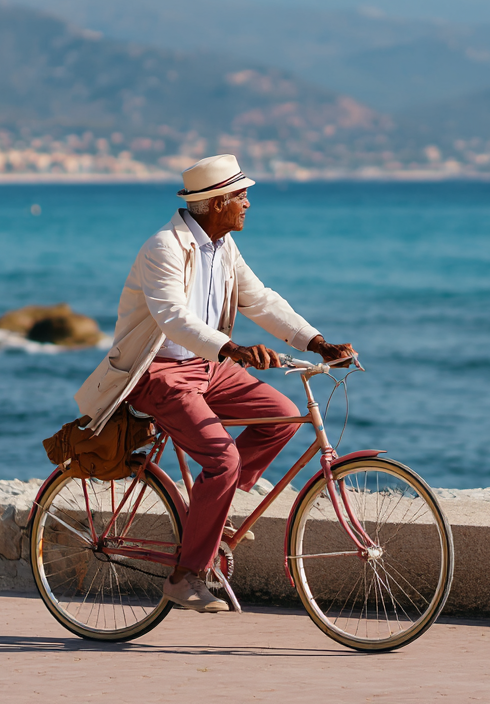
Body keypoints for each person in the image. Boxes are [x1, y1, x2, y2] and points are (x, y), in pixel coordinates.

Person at [74, 154, 354, 613]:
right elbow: (173, 318)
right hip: (158, 371)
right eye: (241, 195)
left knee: (282, 416)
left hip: (208, 368)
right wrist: (232, 349)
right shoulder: (163, 247)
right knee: (222, 459)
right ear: (217, 201)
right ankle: (184, 577)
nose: (248, 203)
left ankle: (210, 511)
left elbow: (260, 300)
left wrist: (315, 341)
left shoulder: (223, 247)